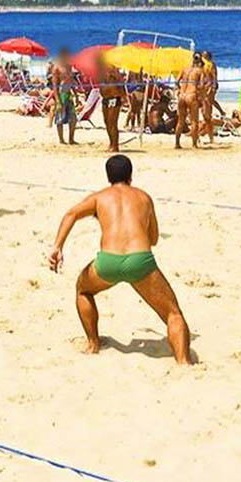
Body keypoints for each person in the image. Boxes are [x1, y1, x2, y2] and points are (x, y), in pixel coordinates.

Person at [48, 155, 193, 365]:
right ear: (131, 176)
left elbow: (71, 214)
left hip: (108, 262)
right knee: (173, 313)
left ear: (108, 177)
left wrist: (57, 247)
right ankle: (183, 362)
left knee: (83, 289)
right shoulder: (144, 197)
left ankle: (93, 345)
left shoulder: (99, 197)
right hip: (140, 262)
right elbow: (153, 239)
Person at [97, 56, 126, 152]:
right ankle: (111, 143)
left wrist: (123, 96)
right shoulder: (100, 71)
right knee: (106, 122)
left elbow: (121, 82)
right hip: (105, 99)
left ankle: (115, 146)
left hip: (114, 98)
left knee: (112, 123)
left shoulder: (111, 69)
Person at [175, 53, 204, 149]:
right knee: (194, 121)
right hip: (192, 95)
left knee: (180, 121)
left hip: (182, 96)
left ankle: (177, 143)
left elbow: (176, 82)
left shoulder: (184, 69)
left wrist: (179, 90)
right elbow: (202, 86)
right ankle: (194, 144)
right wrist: (201, 97)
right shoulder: (200, 71)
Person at [51, 48, 77, 145]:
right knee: (60, 118)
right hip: (61, 94)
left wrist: (76, 95)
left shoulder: (69, 67)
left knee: (73, 118)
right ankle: (61, 140)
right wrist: (57, 100)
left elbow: (71, 82)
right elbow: (55, 86)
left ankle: (71, 139)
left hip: (69, 94)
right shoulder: (56, 68)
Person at [200, 50, 224, 143]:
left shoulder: (211, 64)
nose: (202, 56)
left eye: (204, 55)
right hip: (205, 87)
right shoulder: (202, 64)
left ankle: (207, 128)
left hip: (210, 86)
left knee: (209, 103)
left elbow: (213, 75)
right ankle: (221, 112)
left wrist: (213, 86)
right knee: (208, 103)